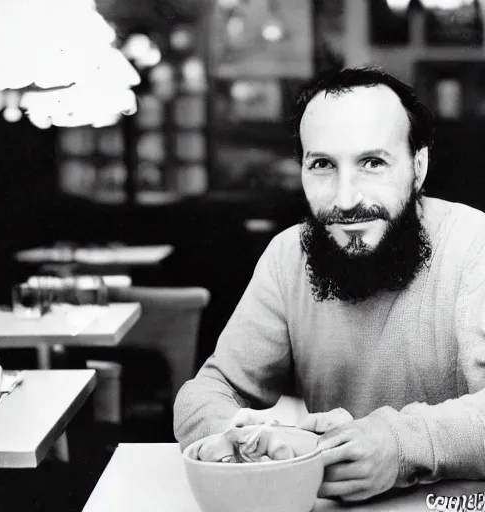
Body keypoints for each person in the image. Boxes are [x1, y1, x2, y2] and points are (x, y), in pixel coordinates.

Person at [173, 66, 485, 501]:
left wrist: (399, 446)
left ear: (419, 165)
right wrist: (231, 435)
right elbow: (210, 389)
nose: (345, 199)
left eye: (373, 162)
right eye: (322, 165)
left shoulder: (475, 246)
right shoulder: (289, 256)